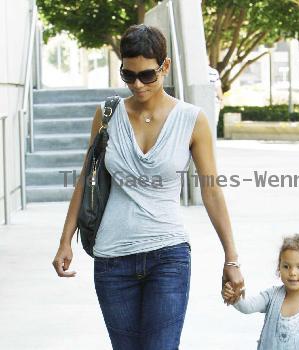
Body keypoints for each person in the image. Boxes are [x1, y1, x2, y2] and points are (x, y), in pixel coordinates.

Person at [52, 24, 244, 350]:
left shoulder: (191, 119)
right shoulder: (107, 114)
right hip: (113, 259)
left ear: (164, 66)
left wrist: (231, 259)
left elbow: (211, 190)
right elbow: (87, 179)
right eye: (128, 76)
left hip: (168, 256)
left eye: (147, 75)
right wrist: (64, 240)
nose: (137, 85)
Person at [223, 234, 299, 350]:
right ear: (279, 268)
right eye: (286, 266)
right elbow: (248, 306)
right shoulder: (271, 296)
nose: (292, 272)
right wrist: (235, 296)